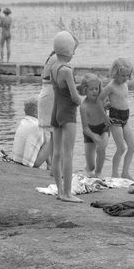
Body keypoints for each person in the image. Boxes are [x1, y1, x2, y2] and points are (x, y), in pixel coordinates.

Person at [48, 31, 85, 202]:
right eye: (73, 50)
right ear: (68, 50)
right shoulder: (67, 70)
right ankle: (67, 193)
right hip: (68, 113)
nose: (74, 53)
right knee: (68, 153)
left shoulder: (53, 67)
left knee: (57, 153)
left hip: (56, 111)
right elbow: (74, 97)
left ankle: (59, 191)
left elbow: (62, 89)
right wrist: (84, 99)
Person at [100, 57, 134, 179]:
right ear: (115, 73)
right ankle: (114, 174)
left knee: (132, 147)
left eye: (127, 75)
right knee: (121, 148)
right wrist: (105, 115)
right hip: (115, 119)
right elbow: (100, 100)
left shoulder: (125, 84)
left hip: (125, 118)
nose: (125, 78)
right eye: (122, 75)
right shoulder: (111, 86)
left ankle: (125, 172)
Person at [78, 73, 109, 176]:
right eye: (91, 89)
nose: (94, 91)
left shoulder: (103, 99)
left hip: (103, 128)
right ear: (85, 90)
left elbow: (109, 106)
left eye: (96, 88)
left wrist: (108, 107)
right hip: (89, 132)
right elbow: (85, 128)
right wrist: (93, 135)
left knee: (102, 147)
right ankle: (89, 169)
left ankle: (99, 172)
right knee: (91, 166)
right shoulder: (84, 107)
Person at [12, 98, 46, 168]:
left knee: (46, 139)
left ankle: (50, 165)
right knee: (53, 140)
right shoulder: (36, 126)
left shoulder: (23, 122)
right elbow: (44, 143)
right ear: (36, 112)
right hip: (32, 163)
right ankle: (51, 165)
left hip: (17, 159)